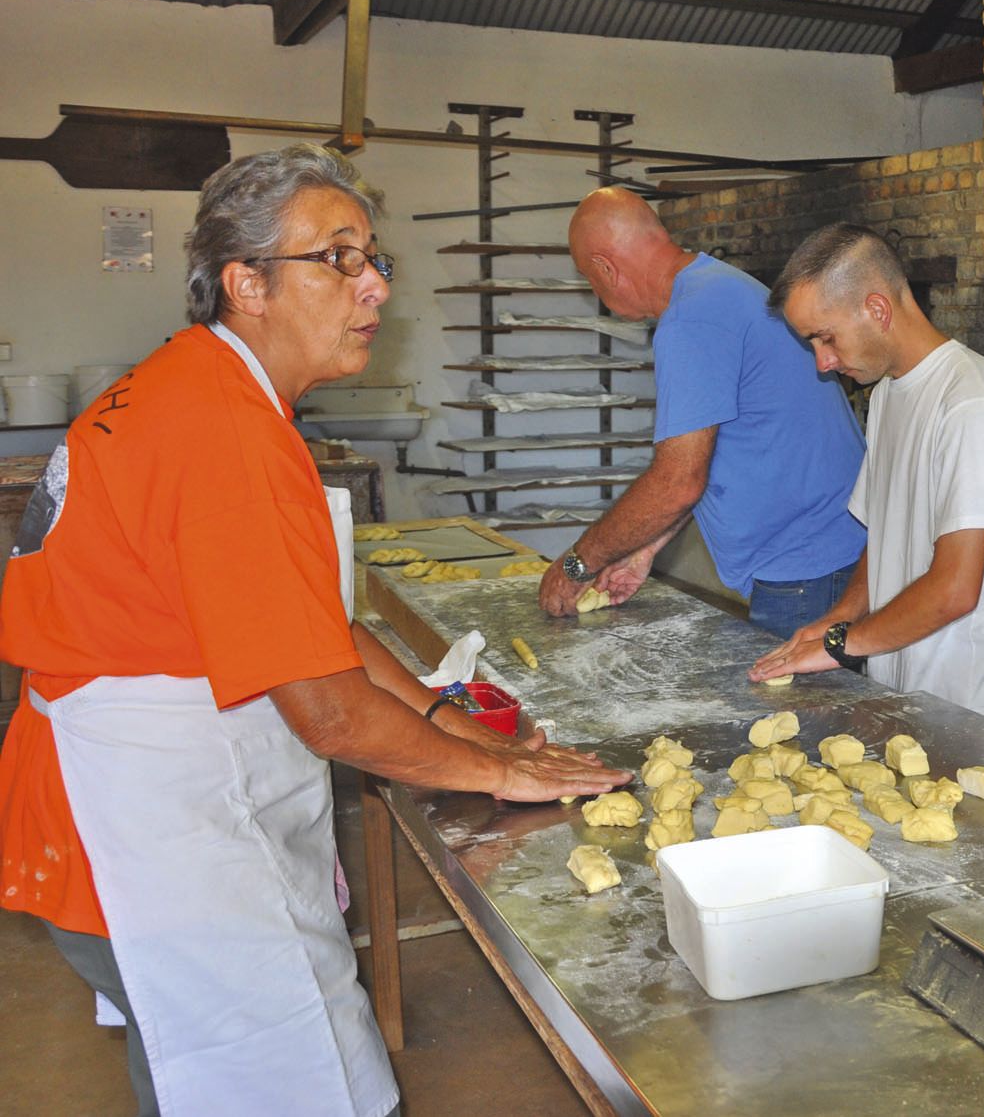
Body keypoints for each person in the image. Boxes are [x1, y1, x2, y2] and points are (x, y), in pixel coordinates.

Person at [0, 145, 628, 1117]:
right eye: (337, 257)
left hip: (115, 807)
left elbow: (309, 623)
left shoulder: (198, 387)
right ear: (247, 283)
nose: (373, 284)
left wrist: (448, 718)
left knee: (202, 1080)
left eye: (373, 257)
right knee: (297, 1085)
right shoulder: (224, 432)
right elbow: (328, 710)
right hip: (154, 836)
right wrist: (501, 775)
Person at [747, 224, 984, 735]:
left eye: (826, 337)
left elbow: (955, 589)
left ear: (877, 309)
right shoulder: (889, 393)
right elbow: (886, 536)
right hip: (912, 690)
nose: (823, 363)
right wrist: (838, 619)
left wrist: (841, 646)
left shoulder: (969, 403)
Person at [537, 187, 866, 637]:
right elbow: (710, 457)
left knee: (800, 688)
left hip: (810, 570)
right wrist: (644, 549)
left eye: (589, 278)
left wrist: (578, 563)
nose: (596, 291)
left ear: (606, 268)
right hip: (834, 555)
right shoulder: (718, 287)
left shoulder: (689, 322)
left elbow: (677, 482)